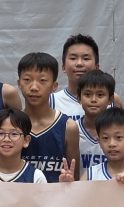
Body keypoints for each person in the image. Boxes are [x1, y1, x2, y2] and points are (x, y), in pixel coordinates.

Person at [17, 52, 79, 182]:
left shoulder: (68, 127)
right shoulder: (12, 124)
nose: (34, 87)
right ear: (19, 83)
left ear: (54, 86)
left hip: (57, 195)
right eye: (27, 80)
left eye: (43, 80)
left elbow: (75, 177)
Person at [0, 109, 47, 184]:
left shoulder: (36, 177)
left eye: (14, 134)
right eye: (0, 133)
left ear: (26, 140)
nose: (6, 139)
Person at [83, 107, 124, 182]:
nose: (111, 144)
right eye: (105, 138)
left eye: (118, 137)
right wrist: (72, 185)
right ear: (99, 142)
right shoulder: (90, 175)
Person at [50, 34, 103, 120]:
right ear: (64, 67)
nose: (79, 63)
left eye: (86, 58)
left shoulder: (111, 99)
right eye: (73, 58)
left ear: (96, 67)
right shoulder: (51, 101)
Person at [74, 69, 115, 174]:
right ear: (79, 98)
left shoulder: (119, 130)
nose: (93, 99)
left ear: (110, 99)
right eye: (87, 94)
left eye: (100, 95)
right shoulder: (72, 130)